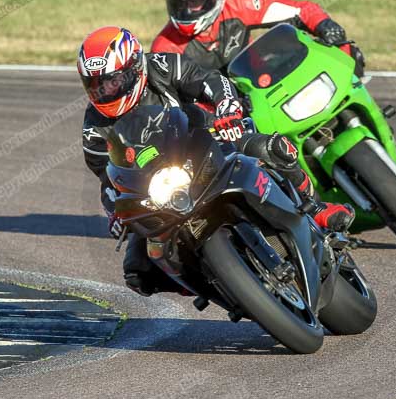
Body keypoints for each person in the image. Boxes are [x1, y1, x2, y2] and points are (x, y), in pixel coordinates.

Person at [78, 26, 355, 296]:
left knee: (268, 148)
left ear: (135, 68)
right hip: (160, 187)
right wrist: (114, 212)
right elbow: (109, 179)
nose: (106, 90)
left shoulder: (161, 66)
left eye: (113, 80)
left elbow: (209, 80)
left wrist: (226, 106)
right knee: (138, 273)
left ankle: (316, 207)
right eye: (96, 85)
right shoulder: (94, 129)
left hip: (206, 137)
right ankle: (216, 284)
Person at [151, 0, 365, 75]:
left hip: (258, 81)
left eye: (195, 1)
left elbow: (303, 10)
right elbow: (173, 104)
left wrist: (324, 24)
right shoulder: (164, 47)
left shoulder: (238, 3)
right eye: (179, 1)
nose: (186, 10)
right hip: (219, 116)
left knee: (346, 52)